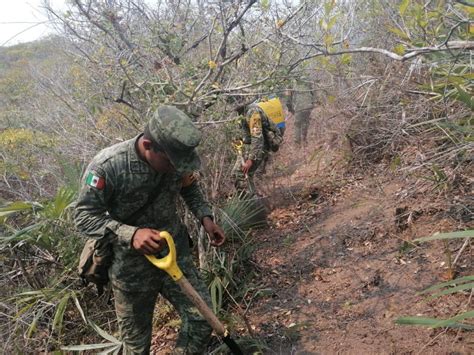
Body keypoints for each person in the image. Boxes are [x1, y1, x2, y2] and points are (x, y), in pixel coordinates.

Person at [74, 105, 226, 354]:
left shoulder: (175, 157)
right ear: (147, 145)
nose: (176, 168)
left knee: (201, 320)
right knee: (136, 347)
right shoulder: (107, 166)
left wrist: (205, 217)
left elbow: (189, 186)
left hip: (175, 256)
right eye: (170, 162)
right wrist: (130, 234)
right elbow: (83, 217)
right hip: (131, 270)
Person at [231, 103, 269, 197]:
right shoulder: (241, 113)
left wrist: (251, 159)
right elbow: (243, 133)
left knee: (239, 174)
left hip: (259, 147)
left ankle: (252, 204)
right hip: (249, 147)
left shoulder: (252, 112)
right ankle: (255, 202)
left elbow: (257, 137)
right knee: (242, 175)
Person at [287, 79, 316, 146]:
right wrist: (312, 104)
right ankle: (304, 140)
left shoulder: (290, 82)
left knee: (297, 124)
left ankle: (297, 143)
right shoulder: (308, 81)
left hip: (298, 107)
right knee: (305, 122)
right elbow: (313, 93)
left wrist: (291, 109)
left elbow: (288, 100)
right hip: (308, 105)